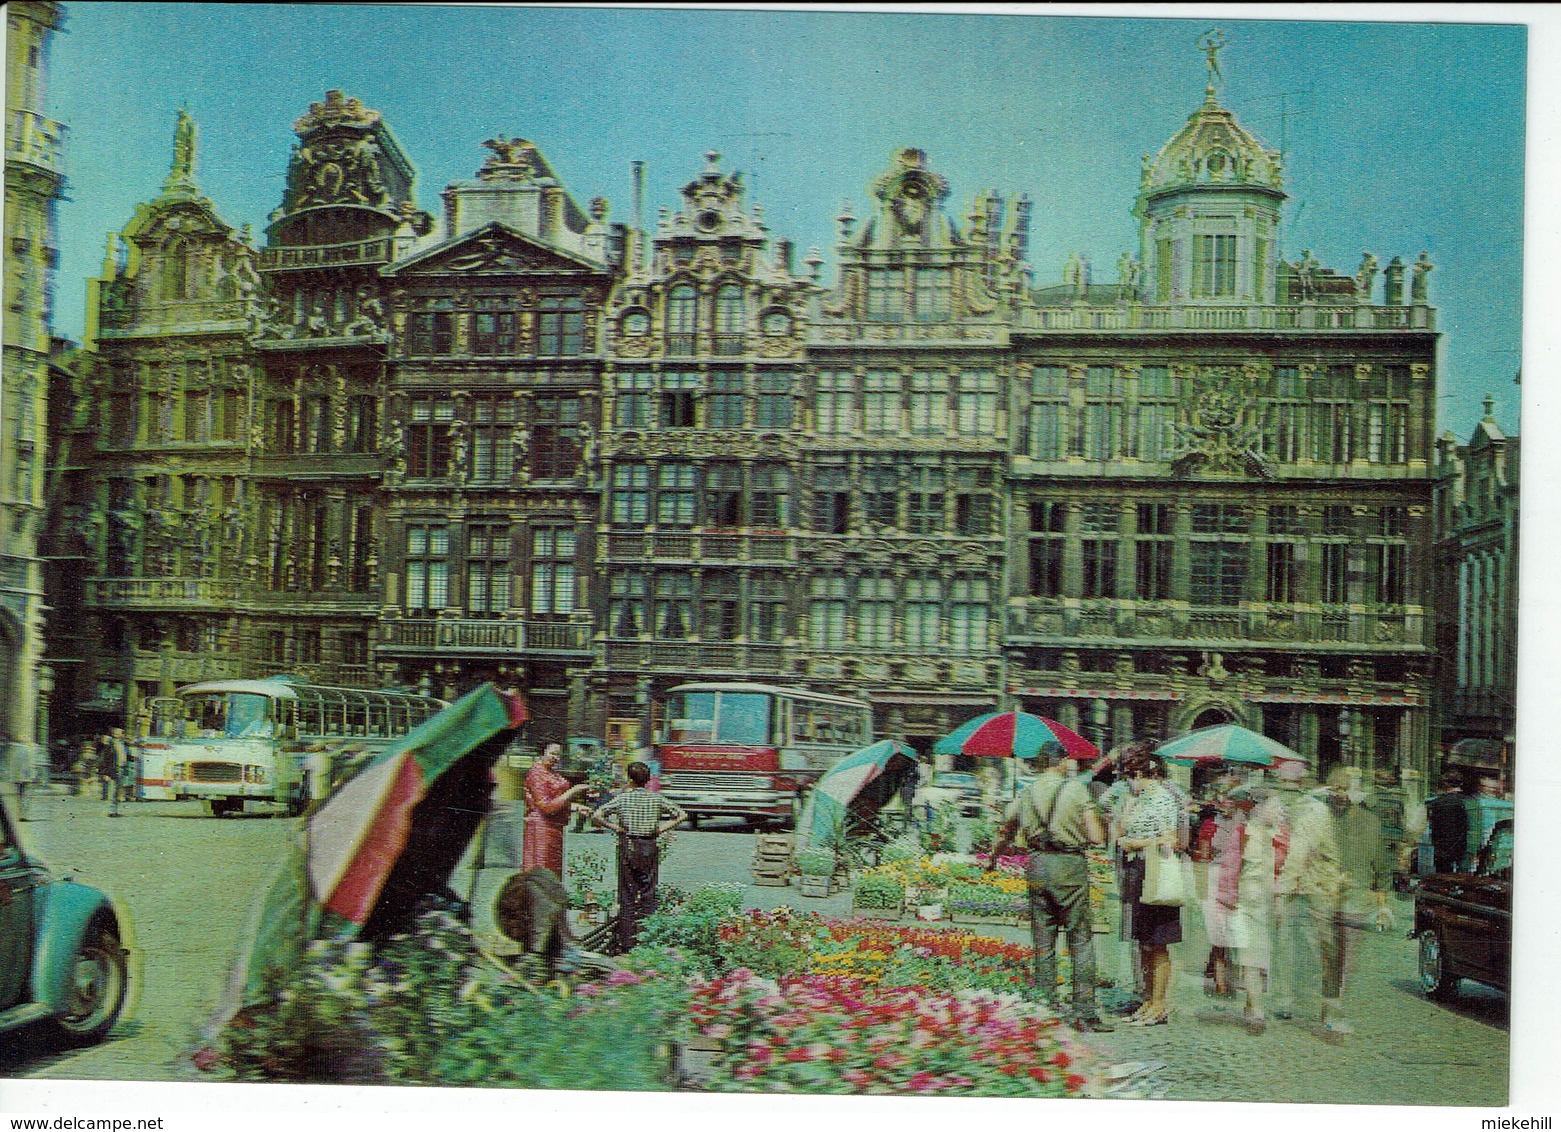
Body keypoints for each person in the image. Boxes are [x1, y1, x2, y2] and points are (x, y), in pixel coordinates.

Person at [987, 742, 1114, 1032]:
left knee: (1043, 943)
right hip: (1069, 866)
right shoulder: (1075, 790)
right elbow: (1095, 837)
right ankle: (1084, 1012)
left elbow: (1005, 830)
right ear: (1062, 761)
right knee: (1080, 940)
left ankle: (1045, 1007)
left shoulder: (1027, 791)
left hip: (1037, 864)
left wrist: (993, 858)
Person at [1277, 766, 1392, 1039]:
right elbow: (1299, 852)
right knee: (1322, 952)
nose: (1342, 796)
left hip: (1353, 896)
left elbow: (1380, 865)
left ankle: (1330, 1006)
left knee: (1344, 957)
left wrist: (1383, 904)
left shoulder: (1369, 820)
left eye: (1348, 790)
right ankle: (1309, 1003)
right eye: (1338, 789)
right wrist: (1288, 889)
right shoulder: (1315, 815)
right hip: (1321, 892)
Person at [1114, 748, 1189, 1027]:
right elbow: (1122, 829)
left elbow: (1171, 839)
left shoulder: (1163, 798)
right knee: (1143, 941)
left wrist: (1138, 843)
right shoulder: (1137, 798)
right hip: (1137, 871)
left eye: (1130, 776)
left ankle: (1160, 1003)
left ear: (1141, 773)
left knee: (1158, 942)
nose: (1129, 782)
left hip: (1155, 872)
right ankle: (1148, 999)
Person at [590, 761, 687, 953]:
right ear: (648, 780)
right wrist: (660, 829)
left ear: (629, 779)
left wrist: (616, 827)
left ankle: (627, 943)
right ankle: (649, 939)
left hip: (629, 844)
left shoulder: (623, 799)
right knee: (649, 892)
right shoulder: (656, 798)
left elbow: (598, 815)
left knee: (627, 893)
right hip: (649, 844)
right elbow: (682, 814)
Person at [1225, 785, 1289, 1034]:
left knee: (1266, 961)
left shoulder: (1283, 836)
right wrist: (1229, 904)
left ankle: (1253, 1004)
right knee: (1251, 960)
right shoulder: (1243, 833)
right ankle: (1258, 1010)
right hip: (1247, 904)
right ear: (1260, 809)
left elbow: (1292, 868)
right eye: (1275, 807)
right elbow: (1230, 870)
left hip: (1275, 906)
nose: (1280, 811)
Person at [522, 742, 592, 877]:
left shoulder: (552, 773)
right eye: (552, 753)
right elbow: (546, 807)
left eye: (558, 755)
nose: (555, 758)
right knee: (542, 870)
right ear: (542, 753)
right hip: (541, 828)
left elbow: (557, 802)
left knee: (553, 870)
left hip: (555, 829)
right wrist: (573, 790)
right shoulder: (536, 774)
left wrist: (576, 807)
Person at [1424, 769, 1472, 874]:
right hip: (1464, 849)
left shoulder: (1436, 803)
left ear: (1445, 783)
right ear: (1461, 783)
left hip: (1442, 850)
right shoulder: (1470, 802)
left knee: (1443, 880)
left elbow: (1432, 826)